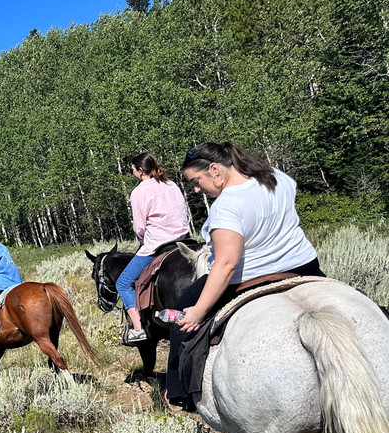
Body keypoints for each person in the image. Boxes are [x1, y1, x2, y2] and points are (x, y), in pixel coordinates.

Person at [166, 141, 322, 406]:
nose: (195, 189)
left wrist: (198, 312)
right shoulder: (274, 176)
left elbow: (226, 264)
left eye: (196, 181)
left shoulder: (225, 206)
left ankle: (181, 393)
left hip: (250, 276)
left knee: (179, 314)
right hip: (303, 265)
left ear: (215, 170)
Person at [117, 152, 191, 343]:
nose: (132, 172)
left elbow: (140, 227)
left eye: (132, 169)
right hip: (184, 238)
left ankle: (138, 328)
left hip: (157, 243)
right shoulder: (171, 184)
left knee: (123, 283)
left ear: (140, 170)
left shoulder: (138, 192)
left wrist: (142, 239)